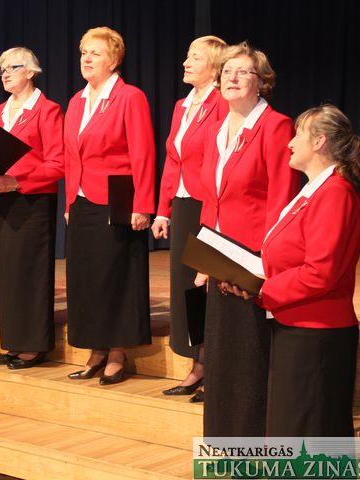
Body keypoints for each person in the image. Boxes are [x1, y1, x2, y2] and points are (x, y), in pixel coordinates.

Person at [226, 105, 360, 436]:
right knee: (294, 430)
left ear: (319, 142)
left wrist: (263, 289)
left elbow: (320, 272)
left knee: (309, 433)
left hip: (316, 332)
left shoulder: (334, 193)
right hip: (297, 325)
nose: (289, 143)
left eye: (298, 135)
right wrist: (251, 277)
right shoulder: (315, 190)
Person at [197, 42, 299, 436]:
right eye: (227, 71)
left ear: (262, 81)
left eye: (243, 71)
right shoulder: (216, 128)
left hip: (253, 260)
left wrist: (265, 263)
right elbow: (212, 199)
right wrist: (204, 260)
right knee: (221, 352)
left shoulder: (276, 126)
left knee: (249, 354)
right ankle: (223, 439)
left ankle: (252, 441)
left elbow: (281, 200)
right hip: (219, 257)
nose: (233, 78)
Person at [63, 27, 156, 385]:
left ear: (114, 60)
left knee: (115, 277)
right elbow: (71, 157)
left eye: (95, 53)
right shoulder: (76, 101)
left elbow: (143, 153)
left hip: (118, 199)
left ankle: (117, 352)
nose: (86, 59)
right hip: (82, 200)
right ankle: (96, 349)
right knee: (86, 278)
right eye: (83, 52)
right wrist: (70, 200)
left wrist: (143, 204)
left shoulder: (130, 97)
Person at [151, 36, 228, 400]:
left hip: (209, 203)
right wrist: (163, 209)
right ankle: (198, 361)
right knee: (187, 287)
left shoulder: (222, 103)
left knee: (208, 285)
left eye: (194, 58)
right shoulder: (182, 105)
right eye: (186, 56)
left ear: (214, 67)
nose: (185, 62)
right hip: (183, 204)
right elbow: (173, 159)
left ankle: (215, 365)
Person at [0, 47, 65, 370]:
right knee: (10, 273)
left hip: (33, 199)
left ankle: (34, 345)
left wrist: (17, 181)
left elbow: (57, 163)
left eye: (12, 67)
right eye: (1, 69)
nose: (5, 74)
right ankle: (14, 341)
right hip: (5, 199)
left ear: (30, 72)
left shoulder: (47, 110)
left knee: (31, 272)